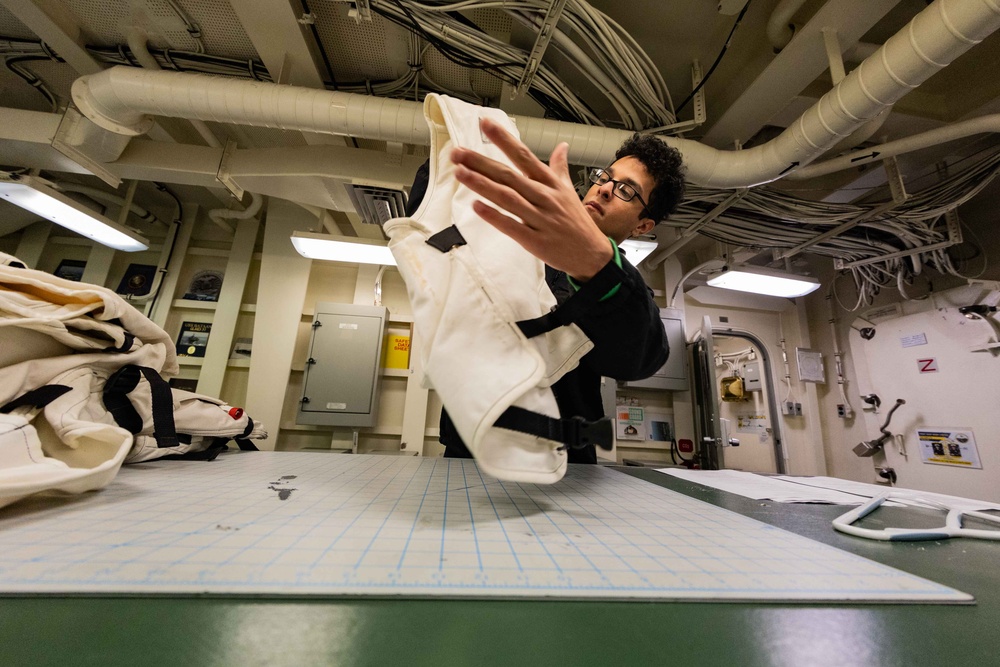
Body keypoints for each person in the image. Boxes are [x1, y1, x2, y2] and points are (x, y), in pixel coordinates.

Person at [405, 118, 685, 464]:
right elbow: (433, 235)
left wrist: (599, 267)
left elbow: (641, 357)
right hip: (472, 449)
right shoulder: (511, 237)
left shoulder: (622, 291)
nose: (605, 189)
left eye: (627, 190)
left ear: (642, 225)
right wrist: (451, 161)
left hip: (564, 465)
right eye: (605, 177)